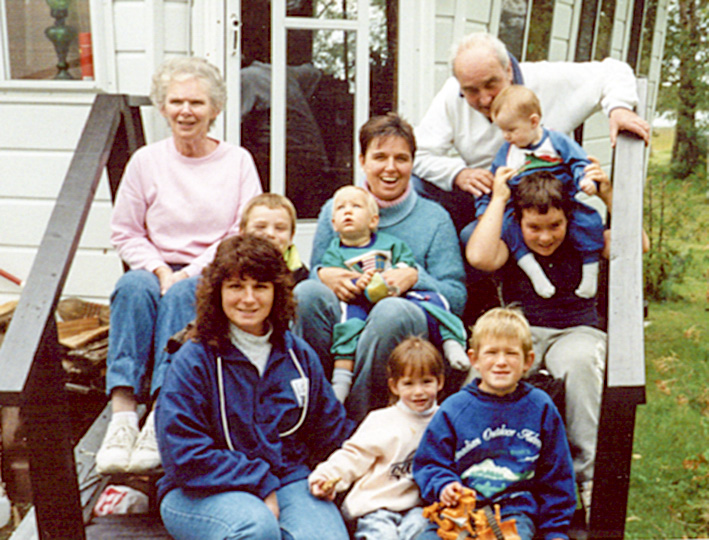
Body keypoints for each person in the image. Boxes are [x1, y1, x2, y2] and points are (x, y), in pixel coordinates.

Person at [96, 57, 262, 475]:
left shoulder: (237, 161)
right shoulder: (146, 162)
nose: (185, 111)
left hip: (214, 269)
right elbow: (125, 232)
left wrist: (187, 273)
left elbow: (242, 229)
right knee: (132, 288)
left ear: (215, 109)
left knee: (187, 294)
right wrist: (158, 269)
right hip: (158, 268)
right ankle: (122, 416)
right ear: (163, 107)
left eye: (196, 102)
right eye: (176, 102)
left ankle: (160, 416)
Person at [155, 234, 352, 540]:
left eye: (260, 286)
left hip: (287, 479)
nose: (248, 298)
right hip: (202, 489)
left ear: (276, 292)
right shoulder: (193, 360)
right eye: (235, 286)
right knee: (257, 529)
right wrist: (260, 482)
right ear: (217, 291)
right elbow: (183, 457)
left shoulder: (297, 355)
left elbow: (331, 432)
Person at [465, 161, 616, 522]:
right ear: (519, 223)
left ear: (569, 218)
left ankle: (590, 483)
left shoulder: (585, 237)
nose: (545, 237)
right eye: (534, 227)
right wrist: (500, 199)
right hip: (522, 330)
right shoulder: (511, 240)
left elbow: (635, 245)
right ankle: (470, 477)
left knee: (580, 365)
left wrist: (609, 194)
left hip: (575, 332)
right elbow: (479, 256)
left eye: (555, 226)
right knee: (480, 372)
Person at [294, 113, 466, 422]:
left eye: (401, 158)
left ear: (413, 163)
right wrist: (324, 275)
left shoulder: (434, 217)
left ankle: (355, 422)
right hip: (347, 316)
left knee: (391, 311)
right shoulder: (335, 209)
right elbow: (316, 273)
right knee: (306, 294)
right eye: (379, 157)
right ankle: (312, 413)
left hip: (405, 326)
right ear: (362, 160)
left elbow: (456, 296)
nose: (390, 168)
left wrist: (414, 276)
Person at [412, 31, 651, 232]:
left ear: (507, 70)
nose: (484, 99)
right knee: (413, 186)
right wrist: (458, 174)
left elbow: (614, 71)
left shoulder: (544, 79)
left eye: (490, 84)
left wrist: (619, 108)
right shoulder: (451, 94)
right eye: (471, 90)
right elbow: (419, 153)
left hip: (541, 199)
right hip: (487, 194)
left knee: (472, 238)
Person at [413, 307, 576, 540]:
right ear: (474, 359)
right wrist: (444, 485)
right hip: (458, 511)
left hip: (513, 513)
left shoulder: (540, 407)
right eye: (491, 353)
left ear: (527, 361)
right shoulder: (455, 408)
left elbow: (557, 476)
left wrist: (555, 532)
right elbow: (429, 463)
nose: (501, 362)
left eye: (511, 353)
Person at [321, 185, 468, 403]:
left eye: (355, 207)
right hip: (357, 301)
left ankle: (452, 343)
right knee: (347, 328)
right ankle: (340, 384)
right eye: (341, 208)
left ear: (373, 221)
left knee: (432, 302)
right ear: (333, 224)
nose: (348, 211)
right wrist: (352, 281)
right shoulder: (335, 250)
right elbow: (328, 275)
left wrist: (401, 275)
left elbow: (406, 267)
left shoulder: (390, 243)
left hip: (395, 297)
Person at [309, 336, 445, 539]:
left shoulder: (445, 420)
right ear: (394, 386)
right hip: (376, 505)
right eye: (408, 384)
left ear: (440, 382)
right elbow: (353, 456)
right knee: (383, 534)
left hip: (417, 507)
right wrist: (328, 476)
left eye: (426, 382)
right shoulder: (381, 420)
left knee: (420, 529)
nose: (418, 392)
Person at [481, 85, 605, 299]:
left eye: (511, 130)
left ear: (533, 121)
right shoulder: (508, 152)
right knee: (509, 228)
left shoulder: (555, 142)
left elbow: (579, 161)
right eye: (502, 131)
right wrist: (484, 209)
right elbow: (494, 182)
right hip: (524, 208)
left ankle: (590, 270)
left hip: (560, 202)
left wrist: (586, 180)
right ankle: (533, 271)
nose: (506, 136)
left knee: (589, 221)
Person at [239, 192, 310, 285]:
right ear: (242, 233)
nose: (270, 234)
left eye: (280, 228)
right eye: (260, 227)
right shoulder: (228, 270)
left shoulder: (302, 277)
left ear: (291, 236)